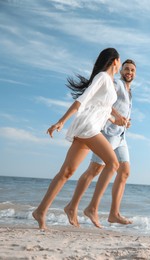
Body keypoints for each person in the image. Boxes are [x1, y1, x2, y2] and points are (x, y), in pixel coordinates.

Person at [32, 47, 125, 230]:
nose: (120, 63)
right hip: (88, 127)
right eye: (120, 60)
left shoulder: (109, 82)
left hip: (89, 126)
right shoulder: (102, 77)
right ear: (115, 61)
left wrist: (116, 120)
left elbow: (100, 108)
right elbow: (83, 99)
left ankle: (40, 211)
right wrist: (61, 121)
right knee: (113, 164)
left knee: (67, 172)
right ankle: (91, 207)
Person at [64, 59, 136, 228]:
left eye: (132, 70)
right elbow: (104, 100)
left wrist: (125, 121)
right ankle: (75, 206)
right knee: (94, 170)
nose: (129, 72)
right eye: (126, 69)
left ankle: (113, 213)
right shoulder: (117, 84)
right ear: (120, 71)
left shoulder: (129, 90)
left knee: (124, 172)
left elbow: (120, 110)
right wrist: (116, 116)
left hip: (121, 136)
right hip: (107, 133)